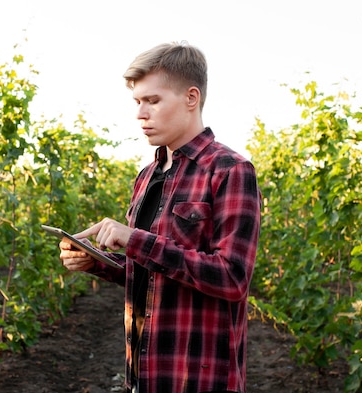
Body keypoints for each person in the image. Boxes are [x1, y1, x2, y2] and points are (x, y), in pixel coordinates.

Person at [58, 41, 261, 393]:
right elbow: (151, 275)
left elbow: (232, 278)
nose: (141, 113)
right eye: (137, 102)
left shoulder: (229, 170)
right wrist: (95, 261)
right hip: (144, 374)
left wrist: (136, 240)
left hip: (197, 377)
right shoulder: (147, 176)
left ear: (191, 98)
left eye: (153, 101)